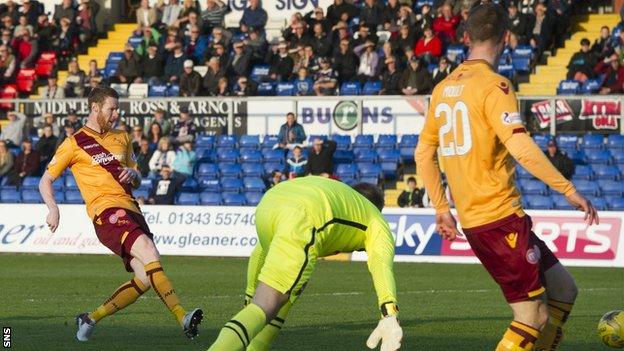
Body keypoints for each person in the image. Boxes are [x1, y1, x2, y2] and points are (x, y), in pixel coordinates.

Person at [415, 4, 598, 351]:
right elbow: (520, 146)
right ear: (507, 38)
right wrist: (568, 190)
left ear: (466, 37)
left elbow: (423, 154)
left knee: (563, 291)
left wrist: (442, 208)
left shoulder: (442, 88)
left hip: (487, 219)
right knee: (531, 317)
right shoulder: (494, 85)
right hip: (497, 219)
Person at [39, 86, 202, 341]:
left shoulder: (123, 137)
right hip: (106, 213)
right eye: (111, 109)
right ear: (95, 108)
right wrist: (53, 208)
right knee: (149, 251)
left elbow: (136, 177)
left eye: (117, 108)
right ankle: (183, 317)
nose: (115, 114)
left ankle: (90, 318)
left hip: (132, 209)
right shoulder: (73, 144)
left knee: (145, 278)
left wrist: (135, 175)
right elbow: (45, 180)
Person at [208, 177, 402, 351]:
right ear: (378, 207)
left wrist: (250, 293)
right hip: (303, 217)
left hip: (269, 204)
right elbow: (381, 265)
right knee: (266, 303)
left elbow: (262, 250)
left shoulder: (339, 194)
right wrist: (389, 313)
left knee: (288, 290)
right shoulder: (375, 218)